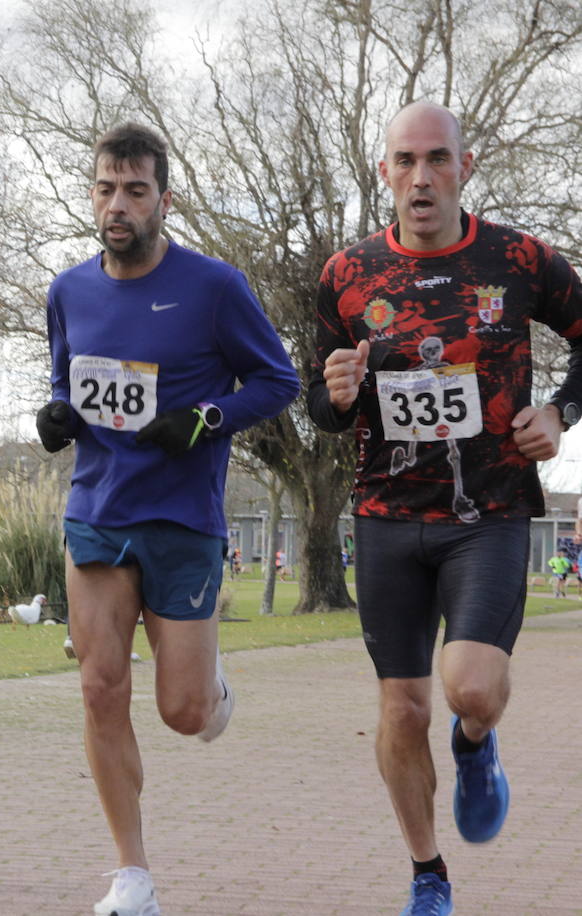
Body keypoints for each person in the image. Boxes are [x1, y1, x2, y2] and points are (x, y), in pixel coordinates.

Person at [308, 101, 582, 916]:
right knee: (401, 705)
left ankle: (475, 746)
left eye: (437, 160)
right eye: (405, 161)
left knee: (468, 690)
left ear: (465, 166)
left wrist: (561, 411)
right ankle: (429, 874)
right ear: (383, 171)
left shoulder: (522, 259)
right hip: (386, 514)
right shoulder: (345, 275)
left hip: (489, 512)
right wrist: (334, 395)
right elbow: (322, 406)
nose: (420, 178)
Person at [34, 122, 298, 916]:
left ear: (164, 199)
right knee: (99, 685)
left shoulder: (214, 286)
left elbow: (277, 379)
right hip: (97, 511)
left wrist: (205, 420)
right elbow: (67, 383)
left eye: (136, 191)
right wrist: (55, 419)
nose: (118, 205)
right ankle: (132, 874)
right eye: (106, 189)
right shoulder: (68, 291)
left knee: (182, 713)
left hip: (181, 518)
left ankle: (211, 689)